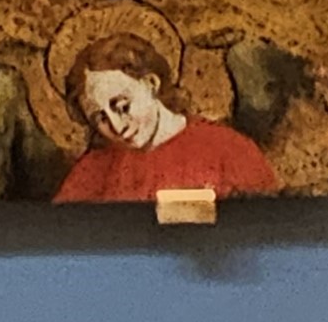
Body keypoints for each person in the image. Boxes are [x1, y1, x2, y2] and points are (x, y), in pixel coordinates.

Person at [49, 33, 280, 203]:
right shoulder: (92, 172)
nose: (117, 126)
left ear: (150, 84)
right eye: (100, 119)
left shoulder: (228, 150)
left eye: (122, 106)